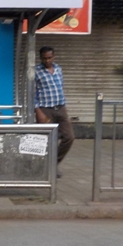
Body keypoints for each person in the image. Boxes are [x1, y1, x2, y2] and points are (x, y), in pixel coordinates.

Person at [34, 46, 74, 175]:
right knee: (46, 140)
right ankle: (42, 167)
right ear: (40, 58)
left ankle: (53, 163)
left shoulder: (58, 69)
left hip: (60, 108)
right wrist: (38, 111)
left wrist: (64, 107)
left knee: (69, 137)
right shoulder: (36, 72)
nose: (47, 60)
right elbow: (32, 93)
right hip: (46, 110)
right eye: (44, 58)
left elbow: (60, 88)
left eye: (49, 58)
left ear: (53, 57)